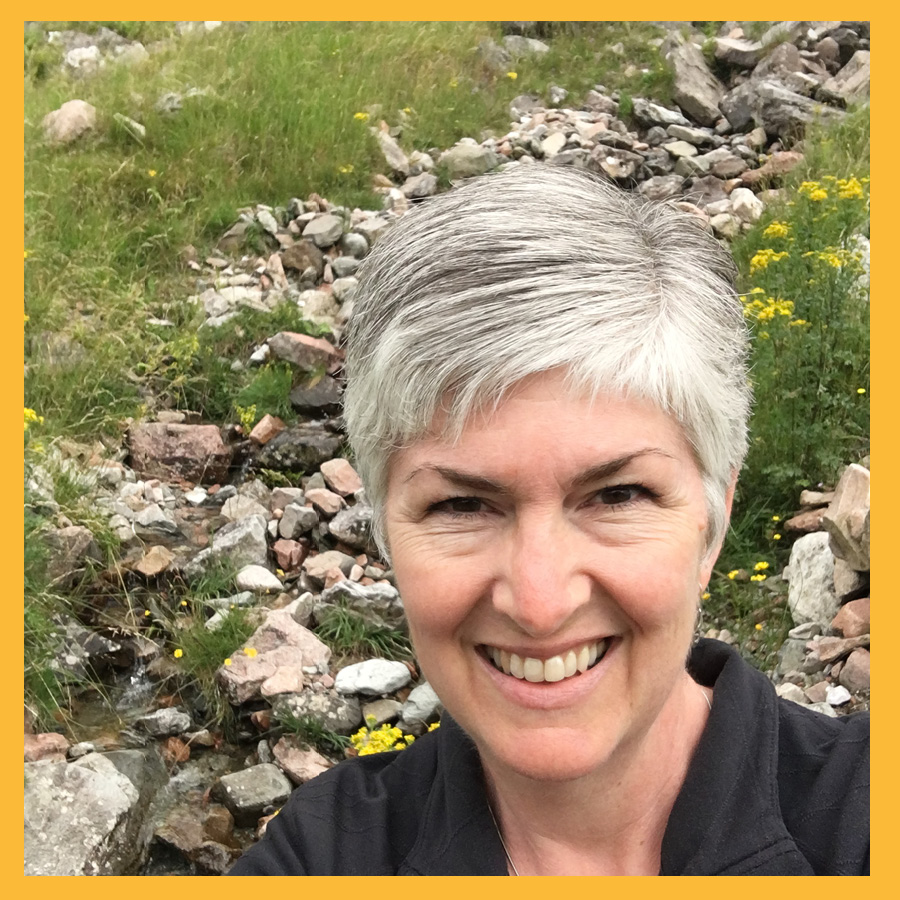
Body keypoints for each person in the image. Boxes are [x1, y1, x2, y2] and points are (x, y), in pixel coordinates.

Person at [228, 164, 869, 876]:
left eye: (618, 495)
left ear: (713, 520)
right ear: (384, 534)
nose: (539, 604)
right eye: (462, 505)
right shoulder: (320, 859)